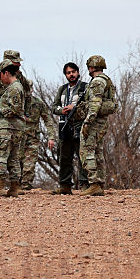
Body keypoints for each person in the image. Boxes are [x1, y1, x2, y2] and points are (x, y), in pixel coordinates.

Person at [76, 55, 118, 196]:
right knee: (98, 152)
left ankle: (94, 183)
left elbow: (95, 103)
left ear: (92, 67)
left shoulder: (97, 82)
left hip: (94, 122)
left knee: (87, 151)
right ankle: (99, 183)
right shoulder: (106, 80)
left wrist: (88, 121)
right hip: (101, 121)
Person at [0, 61, 25, 197]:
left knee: (0, 155)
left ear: (6, 73)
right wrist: (1, 107)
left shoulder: (14, 88)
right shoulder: (16, 87)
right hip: (16, 128)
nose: (0, 79)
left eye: (1, 76)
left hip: (8, 128)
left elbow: (14, 110)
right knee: (13, 158)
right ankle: (14, 187)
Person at [50, 62, 89, 194]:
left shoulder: (85, 87)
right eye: (68, 73)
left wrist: (75, 108)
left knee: (82, 157)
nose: (71, 74)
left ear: (78, 72)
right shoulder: (62, 89)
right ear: (65, 75)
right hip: (64, 125)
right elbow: (54, 107)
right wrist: (62, 110)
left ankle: (85, 185)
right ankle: (65, 186)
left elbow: (89, 105)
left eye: (73, 72)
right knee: (64, 157)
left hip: (79, 126)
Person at [20, 96, 56, 189]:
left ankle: (25, 185)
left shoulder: (38, 103)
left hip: (32, 137)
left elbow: (48, 119)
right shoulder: (15, 101)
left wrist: (51, 137)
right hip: (17, 136)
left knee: (30, 162)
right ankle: (15, 185)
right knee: (16, 161)